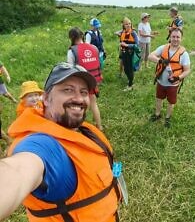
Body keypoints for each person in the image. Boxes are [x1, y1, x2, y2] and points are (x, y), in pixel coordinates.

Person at [0, 62, 121, 221]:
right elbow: (18, 171)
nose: (79, 99)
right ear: (46, 99)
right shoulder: (41, 147)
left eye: (83, 92)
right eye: (68, 90)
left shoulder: (84, 130)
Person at [148, 28, 191, 128]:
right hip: (161, 81)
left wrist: (178, 77)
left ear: (181, 39)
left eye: (178, 37)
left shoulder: (184, 54)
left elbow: (187, 70)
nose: (175, 39)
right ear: (170, 37)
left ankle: (167, 118)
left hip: (173, 84)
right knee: (159, 98)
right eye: (173, 36)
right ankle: (157, 114)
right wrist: (160, 61)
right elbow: (150, 56)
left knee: (171, 102)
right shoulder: (163, 48)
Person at [67, 27, 103, 130]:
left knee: (80, 105)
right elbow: (98, 63)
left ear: (71, 38)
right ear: (82, 36)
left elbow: (71, 69)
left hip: (82, 81)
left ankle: (77, 127)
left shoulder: (72, 51)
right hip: (93, 80)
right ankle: (99, 126)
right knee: (93, 103)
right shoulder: (94, 47)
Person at [119, 17, 139, 91]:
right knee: (126, 69)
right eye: (126, 24)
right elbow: (122, 41)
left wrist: (127, 45)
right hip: (124, 53)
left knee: (130, 69)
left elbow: (137, 44)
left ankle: (130, 85)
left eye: (129, 23)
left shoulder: (133, 33)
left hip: (131, 53)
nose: (128, 25)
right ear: (123, 25)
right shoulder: (123, 32)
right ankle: (130, 80)